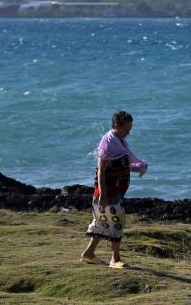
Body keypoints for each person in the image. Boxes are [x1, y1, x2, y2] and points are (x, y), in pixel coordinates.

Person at [80, 110, 147, 268]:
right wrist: (103, 195)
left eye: (130, 128)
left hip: (114, 192)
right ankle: (115, 259)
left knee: (101, 222)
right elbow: (102, 170)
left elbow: (122, 164)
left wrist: (140, 167)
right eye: (126, 129)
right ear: (117, 125)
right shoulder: (109, 143)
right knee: (117, 221)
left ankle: (89, 254)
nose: (129, 132)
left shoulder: (120, 141)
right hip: (107, 193)